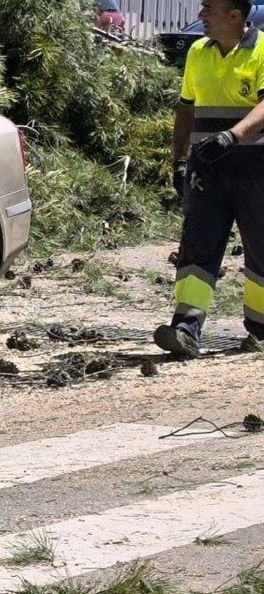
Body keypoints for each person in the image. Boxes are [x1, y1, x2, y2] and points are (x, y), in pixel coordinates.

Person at [158, 0, 264, 357]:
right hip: (208, 171)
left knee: (261, 248)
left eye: (209, 9)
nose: (201, 15)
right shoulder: (197, 53)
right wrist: (179, 161)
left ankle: (260, 329)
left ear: (235, 16)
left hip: (255, 168)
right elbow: (186, 109)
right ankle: (185, 327)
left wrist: (233, 135)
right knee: (197, 245)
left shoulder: (263, 50)